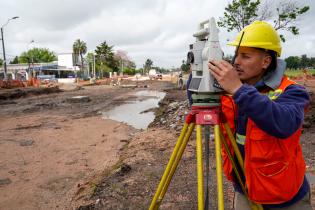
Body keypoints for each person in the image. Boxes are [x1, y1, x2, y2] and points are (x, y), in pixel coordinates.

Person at [208, 21, 312, 210]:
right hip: (245, 189)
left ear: (266, 61)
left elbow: (284, 123)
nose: (236, 62)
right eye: (236, 55)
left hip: (283, 197)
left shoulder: (293, 91)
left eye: (245, 56)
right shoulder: (232, 89)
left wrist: (238, 90)